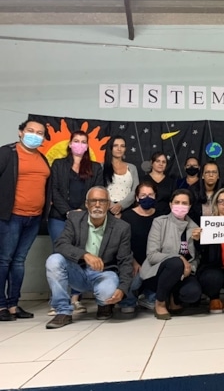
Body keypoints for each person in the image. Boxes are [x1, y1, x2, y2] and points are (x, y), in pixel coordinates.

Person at [45, 186, 133, 329]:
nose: (97, 205)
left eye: (102, 201)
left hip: (104, 273)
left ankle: (104, 305)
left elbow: (125, 261)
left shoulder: (122, 227)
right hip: (77, 272)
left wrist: (122, 289)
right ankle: (63, 311)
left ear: (108, 204)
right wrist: (84, 255)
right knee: (54, 260)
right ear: (86, 204)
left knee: (108, 294)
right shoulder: (74, 219)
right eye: (93, 201)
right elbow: (60, 244)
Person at [48, 130, 103, 316]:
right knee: (59, 256)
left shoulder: (95, 167)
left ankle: (75, 299)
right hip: (59, 216)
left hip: (84, 217)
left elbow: (97, 191)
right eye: (76, 141)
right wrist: (68, 212)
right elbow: (54, 190)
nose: (80, 144)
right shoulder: (58, 164)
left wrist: (80, 211)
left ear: (87, 146)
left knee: (79, 255)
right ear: (70, 144)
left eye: (83, 141)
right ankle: (58, 301)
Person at [0, 119, 51, 322]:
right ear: (20, 132)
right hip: (11, 216)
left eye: (39, 133)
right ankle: (1, 305)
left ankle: (13, 304)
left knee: (19, 261)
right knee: (4, 260)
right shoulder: (7, 153)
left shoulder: (42, 158)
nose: (35, 135)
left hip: (34, 217)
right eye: (31, 131)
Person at [139, 189, 202, 320]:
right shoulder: (159, 222)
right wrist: (179, 258)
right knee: (176, 263)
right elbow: (152, 255)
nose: (180, 205)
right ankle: (160, 302)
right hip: (157, 273)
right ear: (170, 204)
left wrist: (191, 268)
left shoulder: (195, 228)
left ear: (190, 206)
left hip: (183, 274)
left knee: (193, 293)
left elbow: (196, 257)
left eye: (184, 203)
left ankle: (173, 297)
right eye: (177, 202)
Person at [120, 181, 158, 313]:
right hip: (133, 260)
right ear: (137, 198)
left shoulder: (161, 216)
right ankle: (129, 300)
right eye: (143, 195)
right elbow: (122, 244)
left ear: (155, 196)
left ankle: (149, 297)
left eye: (150, 195)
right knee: (133, 283)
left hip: (154, 261)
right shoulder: (127, 216)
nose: (147, 198)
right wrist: (133, 262)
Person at [103, 135, 139, 218]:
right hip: (106, 209)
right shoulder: (102, 167)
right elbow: (99, 189)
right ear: (110, 148)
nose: (119, 149)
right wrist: (112, 206)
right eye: (116, 146)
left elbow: (135, 190)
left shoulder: (132, 168)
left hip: (127, 209)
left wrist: (121, 205)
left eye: (122, 146)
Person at [143, 152, 175, 216]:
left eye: (163, 162)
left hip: (166, 216)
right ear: (152, 163)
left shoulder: (171, 182)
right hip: (146, 215)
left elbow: (174, 201)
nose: (161, 164)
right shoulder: (143, 180)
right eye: (158, 161)